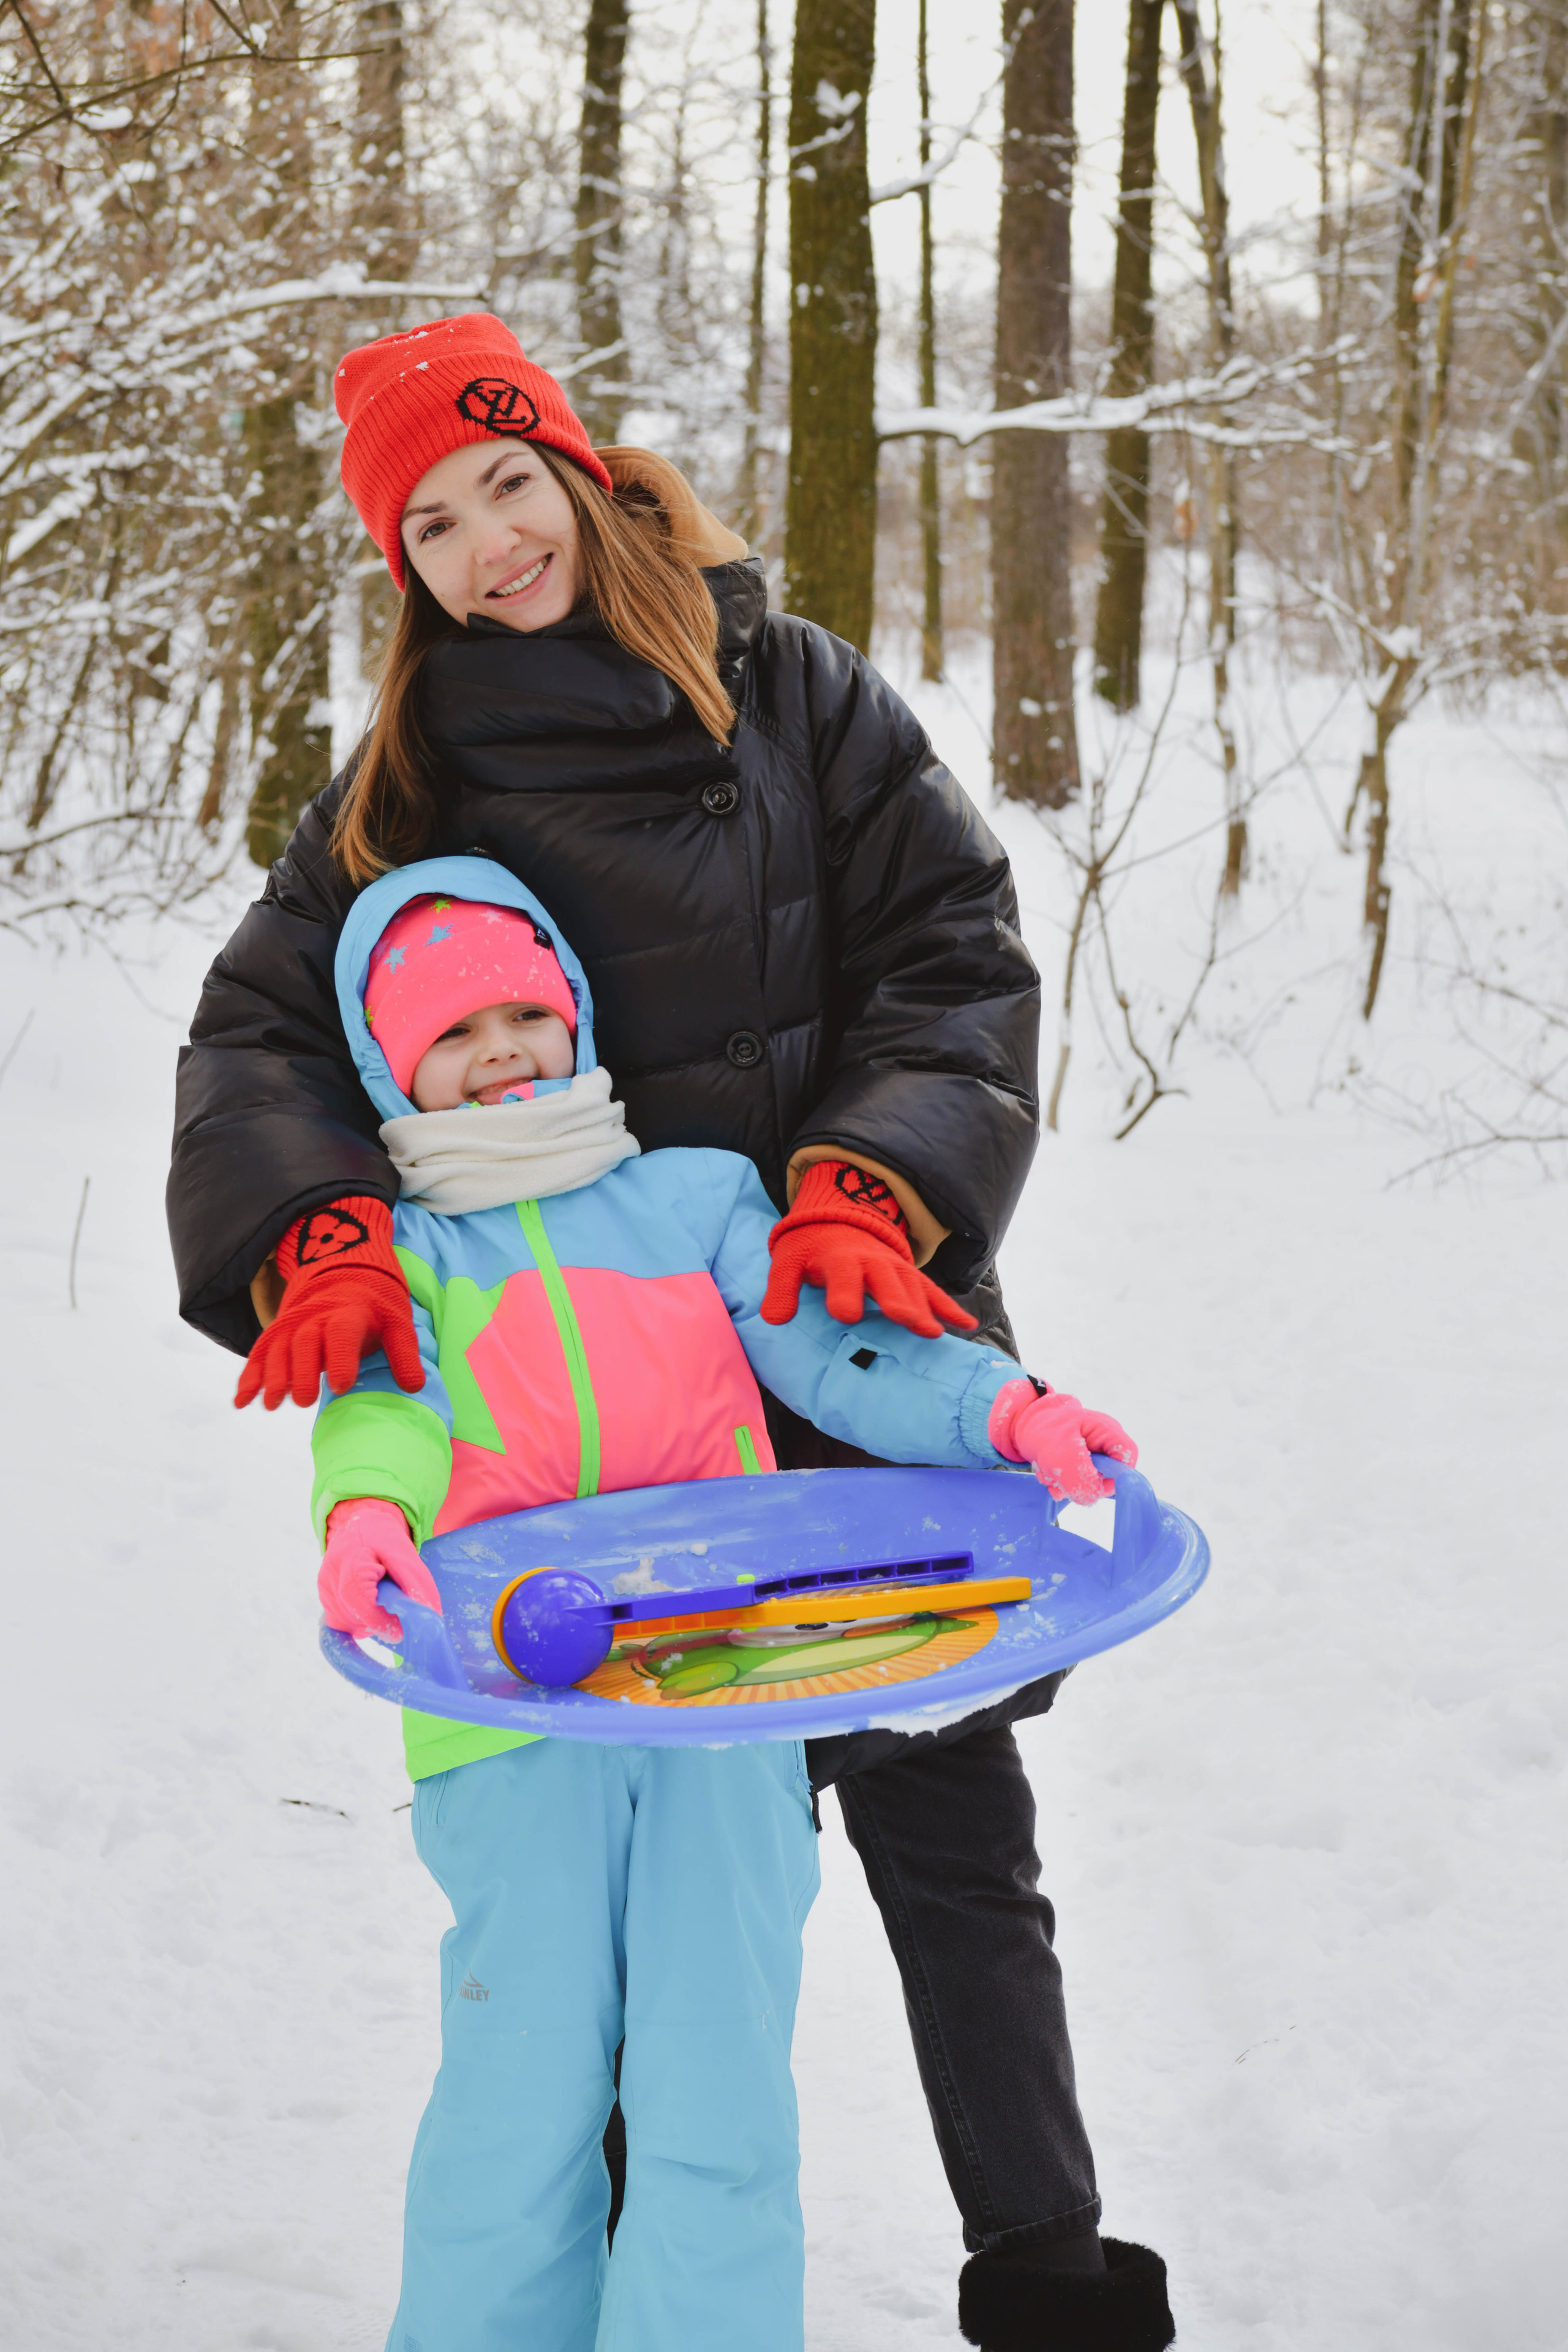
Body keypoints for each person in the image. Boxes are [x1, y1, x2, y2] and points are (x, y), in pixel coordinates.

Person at [167, 312, 1178, 2351]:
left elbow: (953, 950)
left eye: (502, 484)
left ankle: (1050, 2282)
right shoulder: (413, 772)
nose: (483, 547)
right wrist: (329, 1235)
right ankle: (637, 2295)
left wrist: (871, 1179)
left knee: (953, 1827)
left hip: (846, 1313)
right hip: (606, 1414)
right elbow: (269, 1027)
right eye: (429, 526)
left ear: (578, 468)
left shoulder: (792, 692)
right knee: (661, 1896)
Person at [304, 851, 1133, 2352]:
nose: (498, 1053)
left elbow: (843, 1351)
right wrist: (365, 1508)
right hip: (505, 1724)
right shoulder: (407, 1252)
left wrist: (1008, 1414)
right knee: (525, 2085)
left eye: (521, 1015)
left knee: (715, 2086)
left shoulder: (691, 1202)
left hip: (730, 1700)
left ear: (573, 1015)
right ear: (389, 1064)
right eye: (449, 1034)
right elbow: (383, 1404)